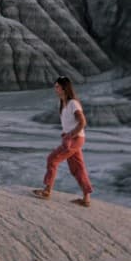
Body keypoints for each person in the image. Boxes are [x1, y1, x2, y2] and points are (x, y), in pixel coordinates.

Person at [33, 76, 93, 207]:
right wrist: (66, 132)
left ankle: (47, 191)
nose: (55, 89)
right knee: (77, 168)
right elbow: (70, 123)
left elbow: (83, 122)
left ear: (64, 88)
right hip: (73, 138)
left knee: (52, 159)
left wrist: (69, 135)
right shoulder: (62, 103)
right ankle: (86, 198)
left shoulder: (73, 103)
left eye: (57, 86)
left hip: (75, 139)